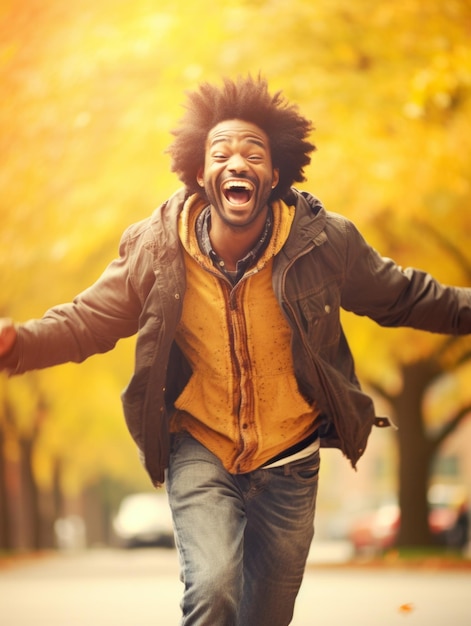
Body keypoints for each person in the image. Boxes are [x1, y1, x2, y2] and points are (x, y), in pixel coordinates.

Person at [1, 75, 470, 625]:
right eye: (220, 152)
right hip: (201, 447)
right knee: (213, 589)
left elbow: (404, 295)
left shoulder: (322, 244)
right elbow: (88, 321)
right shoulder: (157, 249)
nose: (237, 161)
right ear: (201, 174)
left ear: (274, 174)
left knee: (264, 618)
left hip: (291, 456)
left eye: (254, 152)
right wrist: (18, 343)